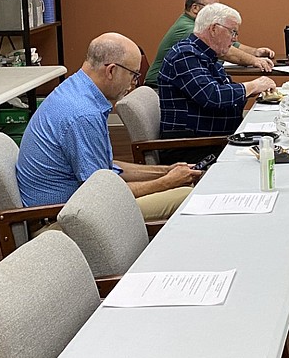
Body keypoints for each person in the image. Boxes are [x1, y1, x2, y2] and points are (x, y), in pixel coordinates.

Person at [17, 33, 200, 221]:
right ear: (111, 71)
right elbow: (101, 194)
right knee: (186, 196)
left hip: (75, 204)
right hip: (62, 218)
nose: (133, 83)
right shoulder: (83, 114)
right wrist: (166, 182)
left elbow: (106, 167)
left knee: (180, 187)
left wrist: (166, 171)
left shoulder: (77, 90)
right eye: (134, 75)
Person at [158, 2, 278, 164]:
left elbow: (220, 91)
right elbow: (213, 96)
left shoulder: (207, 55)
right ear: (214, 29)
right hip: (193, 147)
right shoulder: (185, 55)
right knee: (269, 156)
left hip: (213, 139)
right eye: (232, 32)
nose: (235, 38)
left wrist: (250, 92)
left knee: (274, 142)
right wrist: (253, 86)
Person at [144, 0, 276, 88]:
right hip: (159, 88)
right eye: (212, 7)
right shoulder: (190, 28)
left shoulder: (199, 26)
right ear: (195, 8)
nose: (217, 11)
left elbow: (232, 45)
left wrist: (255, 51)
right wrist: (254, 61)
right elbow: (227, 53)